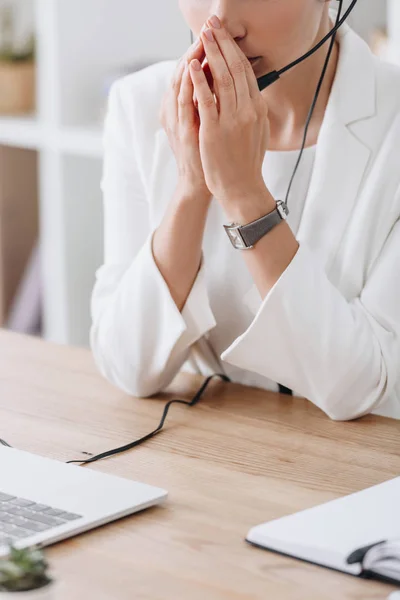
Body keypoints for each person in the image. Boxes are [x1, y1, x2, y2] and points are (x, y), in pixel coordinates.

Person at [90, 0, 400, 421]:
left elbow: (361, 388)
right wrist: (192, 187)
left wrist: (244, 195)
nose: (221, 21)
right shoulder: (139, 105)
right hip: (214, 458)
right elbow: (127, 364)